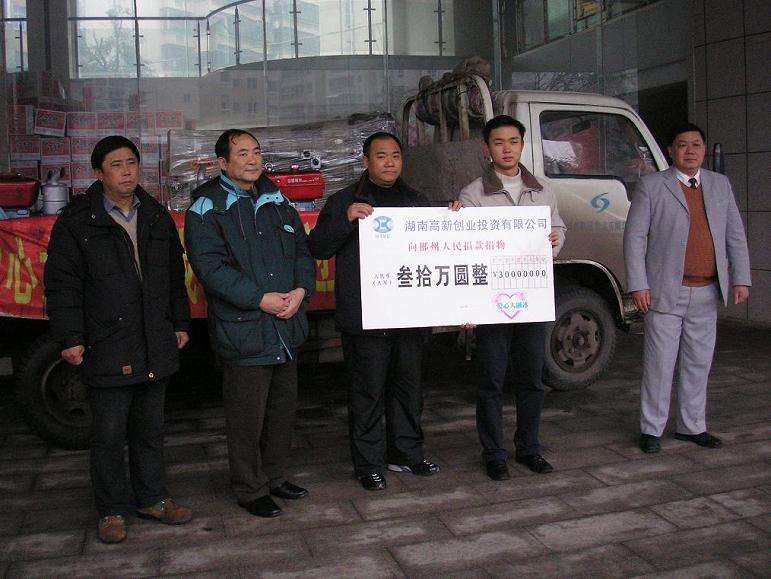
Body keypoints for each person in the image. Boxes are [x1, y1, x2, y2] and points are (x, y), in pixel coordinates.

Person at [44, 135, 193, 544]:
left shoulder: (156, 215)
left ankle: (153, 498)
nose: (127, 172)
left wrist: (179, 322)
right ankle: (111, 510)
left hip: (153, 336)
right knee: (109, 433)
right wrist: (70, 336)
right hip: (106, 339)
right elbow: (62, 284)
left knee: (150, 429)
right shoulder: (77, 221)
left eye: (131, 163)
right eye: (116, 165)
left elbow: (173, 277)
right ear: (98, 173)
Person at [184, 129, 315, 517]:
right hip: (245, 326)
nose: (252, 159)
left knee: (281, 411)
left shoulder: (277, 200)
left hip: (285, 325)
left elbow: (301, 251)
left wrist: (301, 291)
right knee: (246, 417)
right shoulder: (207, 208)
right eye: (242, 153)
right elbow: (211, 268)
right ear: (223, 163)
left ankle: (274, 477)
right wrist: (260, 298)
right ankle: (250, 488)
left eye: (256, 151)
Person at [308, 132, 448, 491]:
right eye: (381, 156)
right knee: (367, 393)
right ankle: (368, 464)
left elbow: (440, 250)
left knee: (408, 390)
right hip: (365, 318)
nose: (390, 163)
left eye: (396, 156)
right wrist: (345, 220)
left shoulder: (417, 201)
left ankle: (406, 454)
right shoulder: (345, 201)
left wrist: (452, 219)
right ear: (365, 161)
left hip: (409, 316)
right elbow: (318, 247)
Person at [624, 122, 751, 454]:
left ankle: (692, 426)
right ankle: (651, 429)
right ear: (671, 150)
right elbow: (635, 238)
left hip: (707, 290)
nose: (690, 151)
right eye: (683, 145)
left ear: (704, 150)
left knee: (698, 363)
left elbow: (735, 234)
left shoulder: (720, 184)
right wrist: (638, 284)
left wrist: (741, 278)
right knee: (660, 364)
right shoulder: (652, 185)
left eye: (696, 144)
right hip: (666, 290)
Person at [458, 115, 566, 481]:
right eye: (498, 142)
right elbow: (463, 248)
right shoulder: (473, 194)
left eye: (513, 141)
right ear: (486, 149)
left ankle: (529, 448)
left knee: (532, 378)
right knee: (491, 380)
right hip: (491, 301)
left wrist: (555, 240)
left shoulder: (543, 190)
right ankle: (494, 453)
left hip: (531, 298)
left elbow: (558, 227)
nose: (507, 149)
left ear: (522, 145)